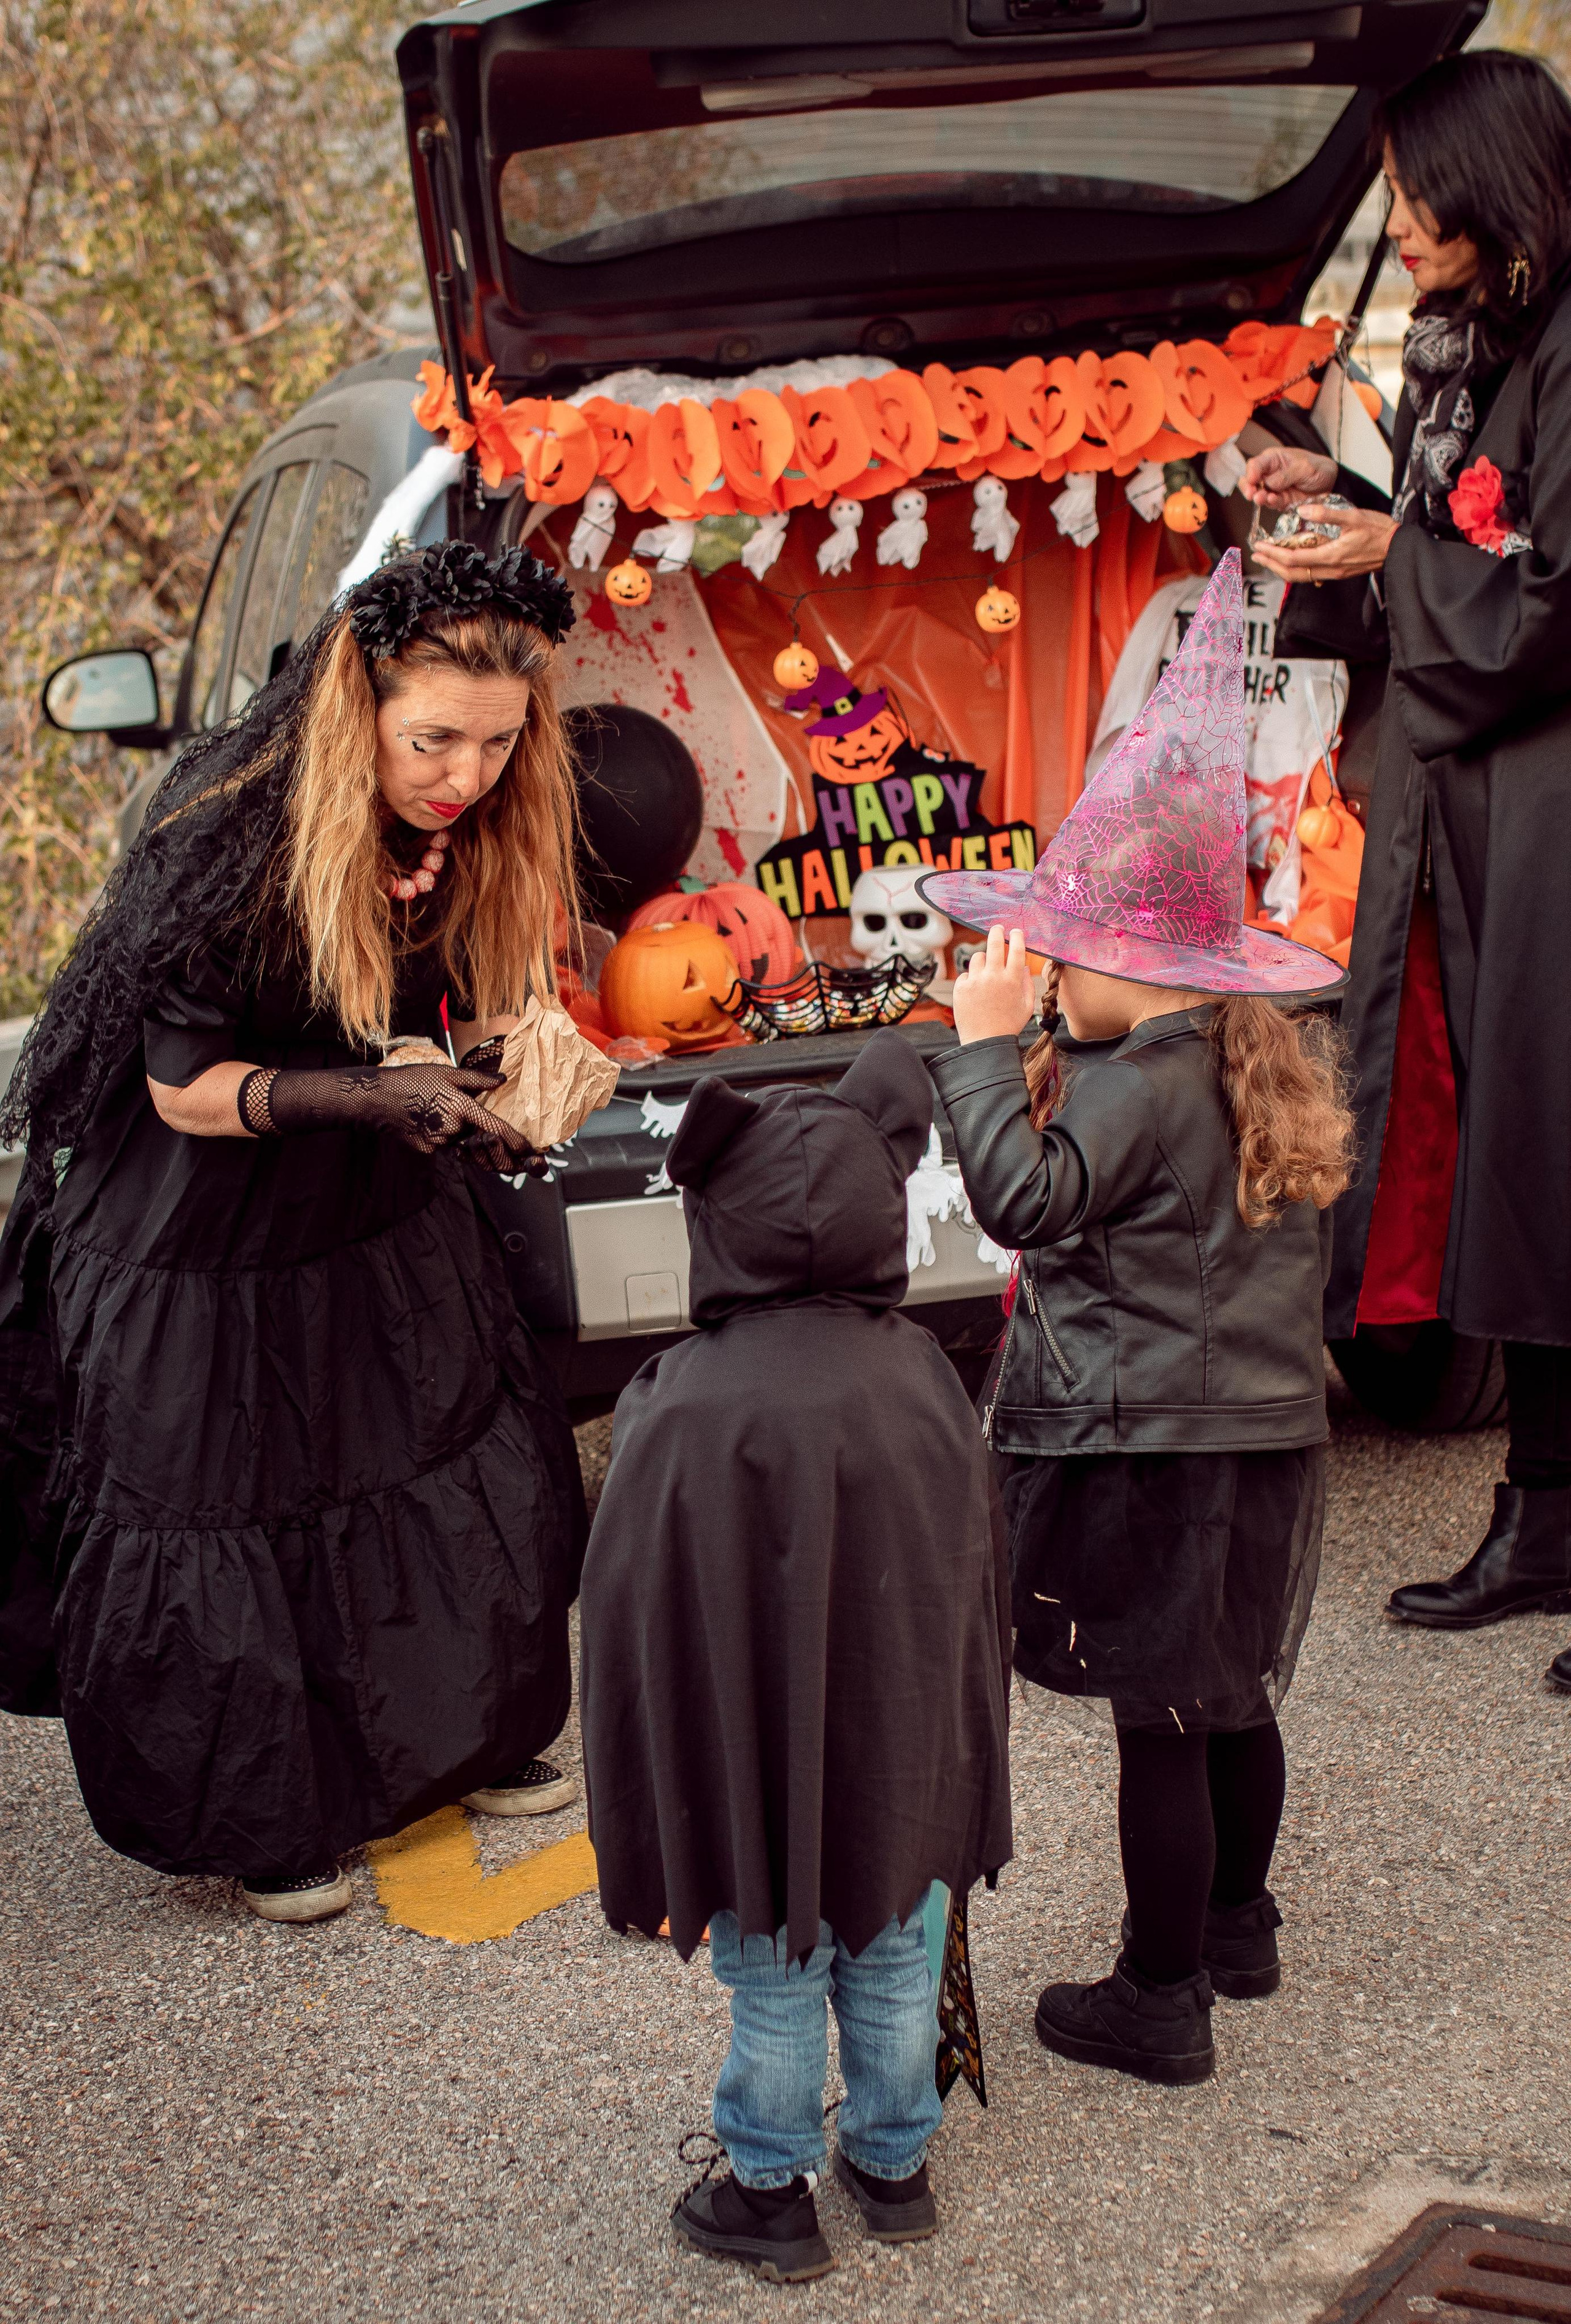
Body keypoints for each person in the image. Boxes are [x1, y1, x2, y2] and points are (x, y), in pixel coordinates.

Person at [0, 541, 592, 1922]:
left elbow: (453, 1000)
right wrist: (377, 1092)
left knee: (425, 1448)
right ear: (358, 705)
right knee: (225, 1501)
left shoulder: (468, 829)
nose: (465, 773)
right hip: (196, 1226)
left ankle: (465, 1745)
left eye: (498, 743)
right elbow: (184, 1093)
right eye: (434, 738)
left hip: (367, 1198)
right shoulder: (224, 841)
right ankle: (260, 1817)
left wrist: (503, 1061)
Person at [921, 550, 1353, 2087]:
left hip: (1145, 1447)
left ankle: (1157, 1993)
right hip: (1257, 1438)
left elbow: (1023, 1204)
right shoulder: (1245, 1067)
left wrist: (978, 1053)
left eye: (1059, 945)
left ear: (1138, 958)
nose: (1040, 966)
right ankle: (1237, 1927)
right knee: (1232, 1696)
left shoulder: (1137, 1081)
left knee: (1160, 1719)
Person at [578, 1032, 1013, 2284]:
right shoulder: (922, 1375)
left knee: (774, 1969)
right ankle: (891, 2161)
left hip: (757, 1758)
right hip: (896, 1755)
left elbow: (630, 1597)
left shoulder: (681, 1396)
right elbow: (970, 1569)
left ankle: (766, 2186)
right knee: (891, 1942)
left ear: (722, 1218)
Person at [1243, 51, 1571, 1686]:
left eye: (1417, 189)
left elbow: (1553, 593)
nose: (1399, 221)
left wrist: (1403, 550)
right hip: (1473, 812)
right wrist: (1353, 499)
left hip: (1560, 806)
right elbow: (1467, 534)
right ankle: (1548, 1511)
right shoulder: (1473, 335)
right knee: (1516, 1155)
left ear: (1496, 180)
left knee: (1565, 1147)